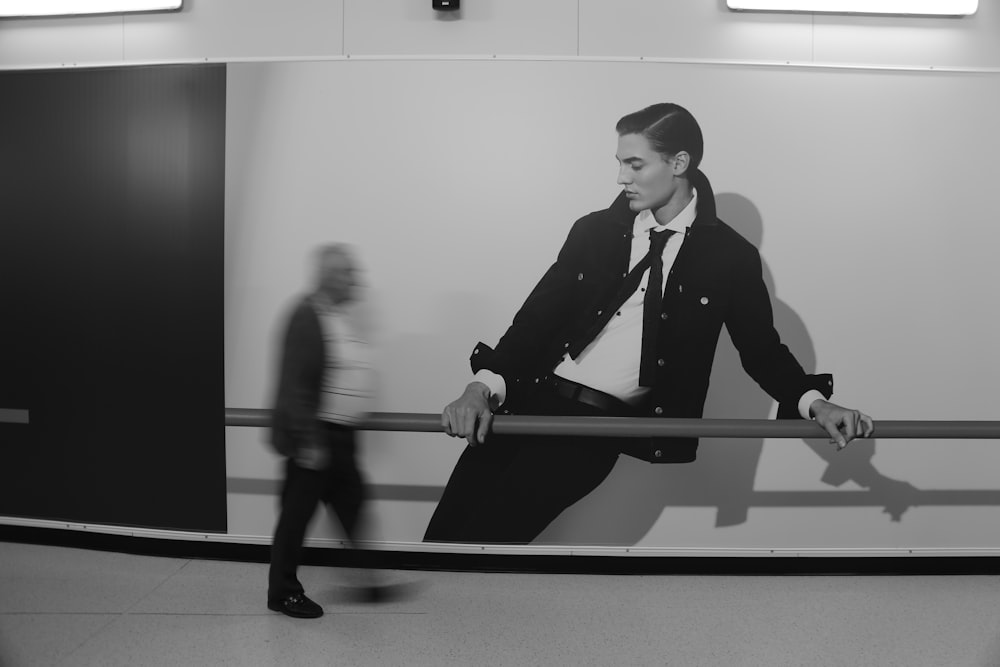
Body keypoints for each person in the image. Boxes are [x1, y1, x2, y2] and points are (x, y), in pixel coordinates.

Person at [424, 103, 874, 545]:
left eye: (635, 164)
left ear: (679, 163)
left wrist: (817, 404)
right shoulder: (593, 232)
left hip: (592, 430)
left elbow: (762, 351)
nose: (622, 178)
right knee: (440, 541)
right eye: (620, 163)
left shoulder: (729, 258)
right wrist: (479, 388)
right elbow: (534, 321)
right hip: (525, 404)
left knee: (487, 544)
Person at [266, 243, 377, 618]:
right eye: (348, 272)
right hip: (314, 436)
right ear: (330, 276)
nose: (355, 279)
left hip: (340, 437)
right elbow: (294, 382)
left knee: (353, 504)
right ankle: (283, 592)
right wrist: (308, 440)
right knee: (296, 517)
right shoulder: (306, 314)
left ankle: (367, 584)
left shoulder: (338, 316)